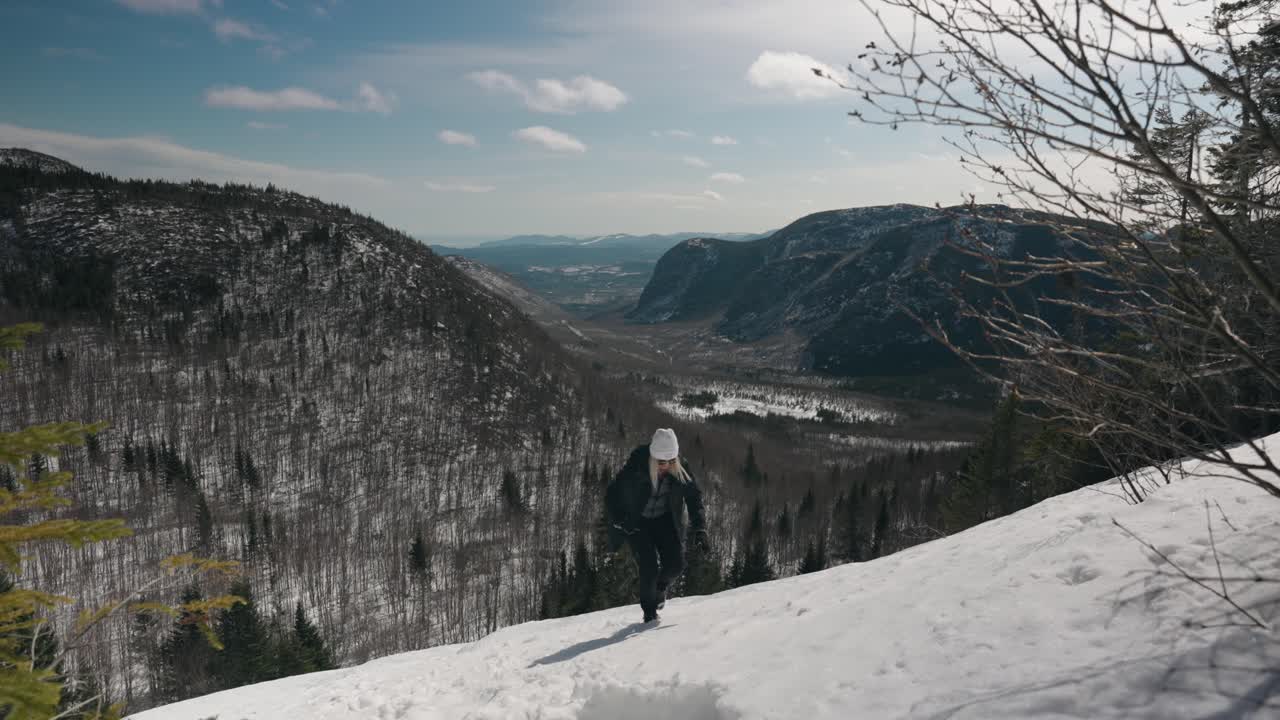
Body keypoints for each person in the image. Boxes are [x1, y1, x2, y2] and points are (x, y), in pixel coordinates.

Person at [606, 427, 709, 623]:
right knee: (649, 569)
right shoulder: (638, 462)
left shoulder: (681, 467)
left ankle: (660, 589)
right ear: (653, 458)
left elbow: (694, 498)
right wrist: (620, 519)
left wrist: (700, 528)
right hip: (638, 522)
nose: (666, 466)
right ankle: (649, 612)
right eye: (661, 462)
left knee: (676, 564)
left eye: (671, 462)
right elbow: (613, 492)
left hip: (664, 519)